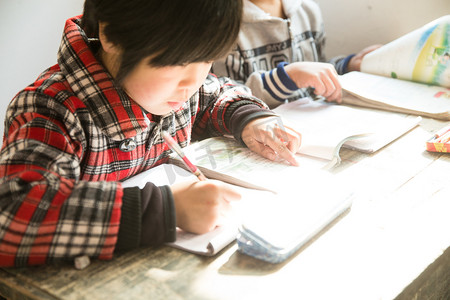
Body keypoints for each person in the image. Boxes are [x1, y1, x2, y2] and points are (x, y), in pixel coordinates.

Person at [0, 0, 301, 267]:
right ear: (111, 36)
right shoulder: (50, 109)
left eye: (207, 59)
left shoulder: (180, 88)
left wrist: (250, 119)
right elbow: (12, 214)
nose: (192, 82)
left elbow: (217, 90)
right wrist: (164, 209)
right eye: (178, 64)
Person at [212, 0, 381, 108]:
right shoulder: (220, 27)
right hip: (264, 134)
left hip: (315, 120)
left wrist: (349, 65)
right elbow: (223, 101)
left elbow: (315, 68)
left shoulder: (308, 10)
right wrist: (287, 77)